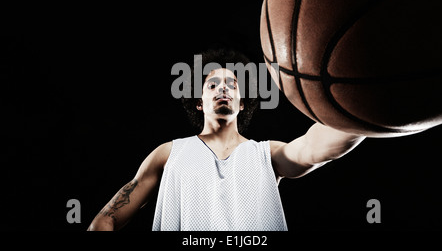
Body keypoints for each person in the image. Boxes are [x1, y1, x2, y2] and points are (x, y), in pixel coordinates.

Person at [87, 49, 365, 231]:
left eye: (232, 85)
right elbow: (107, 218)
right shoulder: (169, 153)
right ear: (199, 102)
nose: (223, 88)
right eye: (213, 85)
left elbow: (315, 149)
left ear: (242, 103)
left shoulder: (266, 154)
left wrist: (366, 106)